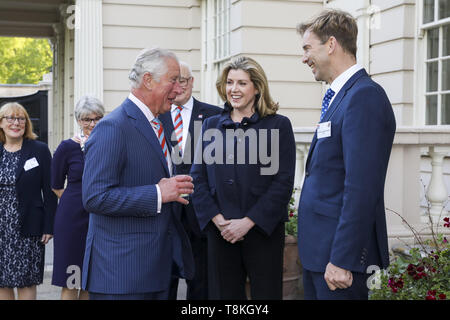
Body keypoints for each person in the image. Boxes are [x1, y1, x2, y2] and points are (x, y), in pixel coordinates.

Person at [296, 9, 396, 300]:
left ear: (331, 45)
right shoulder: (340, 97)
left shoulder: (364, 97)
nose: (304, 58)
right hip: (321, 256)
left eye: (307, 48)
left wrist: (343, 259)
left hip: (340, 264)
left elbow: (362, 188)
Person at [81, 48, 195, 300]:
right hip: (122, 276)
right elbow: (94, 197)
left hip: (159, 270)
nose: (179, 89)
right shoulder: (112, 128)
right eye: (173, 80)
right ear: (147, 80)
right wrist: (158, 193)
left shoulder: (161, 124)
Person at [190, 56, 296, 300]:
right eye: (229, 82)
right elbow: (198, 177)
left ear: (257, 87)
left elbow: (283, 182)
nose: (233, 90)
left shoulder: (278, 125)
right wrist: (218, 220)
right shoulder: (210, 125)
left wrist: (248, 222)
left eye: (241, 83)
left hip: (262, 233)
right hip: (221, 232)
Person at [160, 61, 222, 300]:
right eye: (173, 81)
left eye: (183, 81)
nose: (178, 87)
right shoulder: (157, 114)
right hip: (165, 210)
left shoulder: (214, 115)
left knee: (201, 282)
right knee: (165, 280)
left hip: (201, 211)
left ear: (192, 82)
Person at [0, 102, 57, 300]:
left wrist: (49, 226)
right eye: (11, 118)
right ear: (1, 123)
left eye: (21, 118)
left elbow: (50, 192)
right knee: (1, 282)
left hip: (28, 229)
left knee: (26, 281)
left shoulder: (39, 150)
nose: (16, 123)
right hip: (1, 230)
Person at [51, 96, 105, 300]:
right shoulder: (67, 147)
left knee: (91, 279)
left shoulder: (108, 143)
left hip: (101, 216)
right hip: (72, 219)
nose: (91, 124)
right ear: (78, 120)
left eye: (96, 118)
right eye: (86, 119)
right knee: (71, 279)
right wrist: (77, 201)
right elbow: (56, 185)